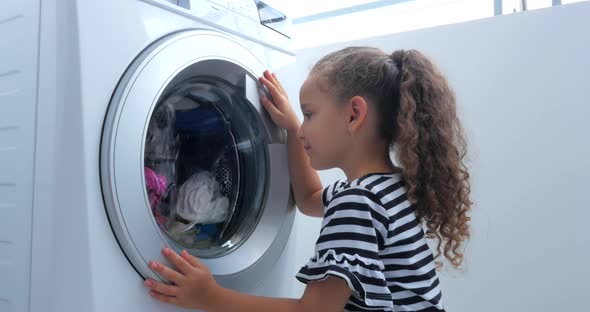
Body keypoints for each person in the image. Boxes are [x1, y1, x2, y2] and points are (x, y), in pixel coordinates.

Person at [143, 47, 472, 312]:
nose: (305, 128)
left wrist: (210, 297)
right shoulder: (387, 188)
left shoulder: (358, 203)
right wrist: (291, 128)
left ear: (354, 115)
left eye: (310, 114)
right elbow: (310, 197)